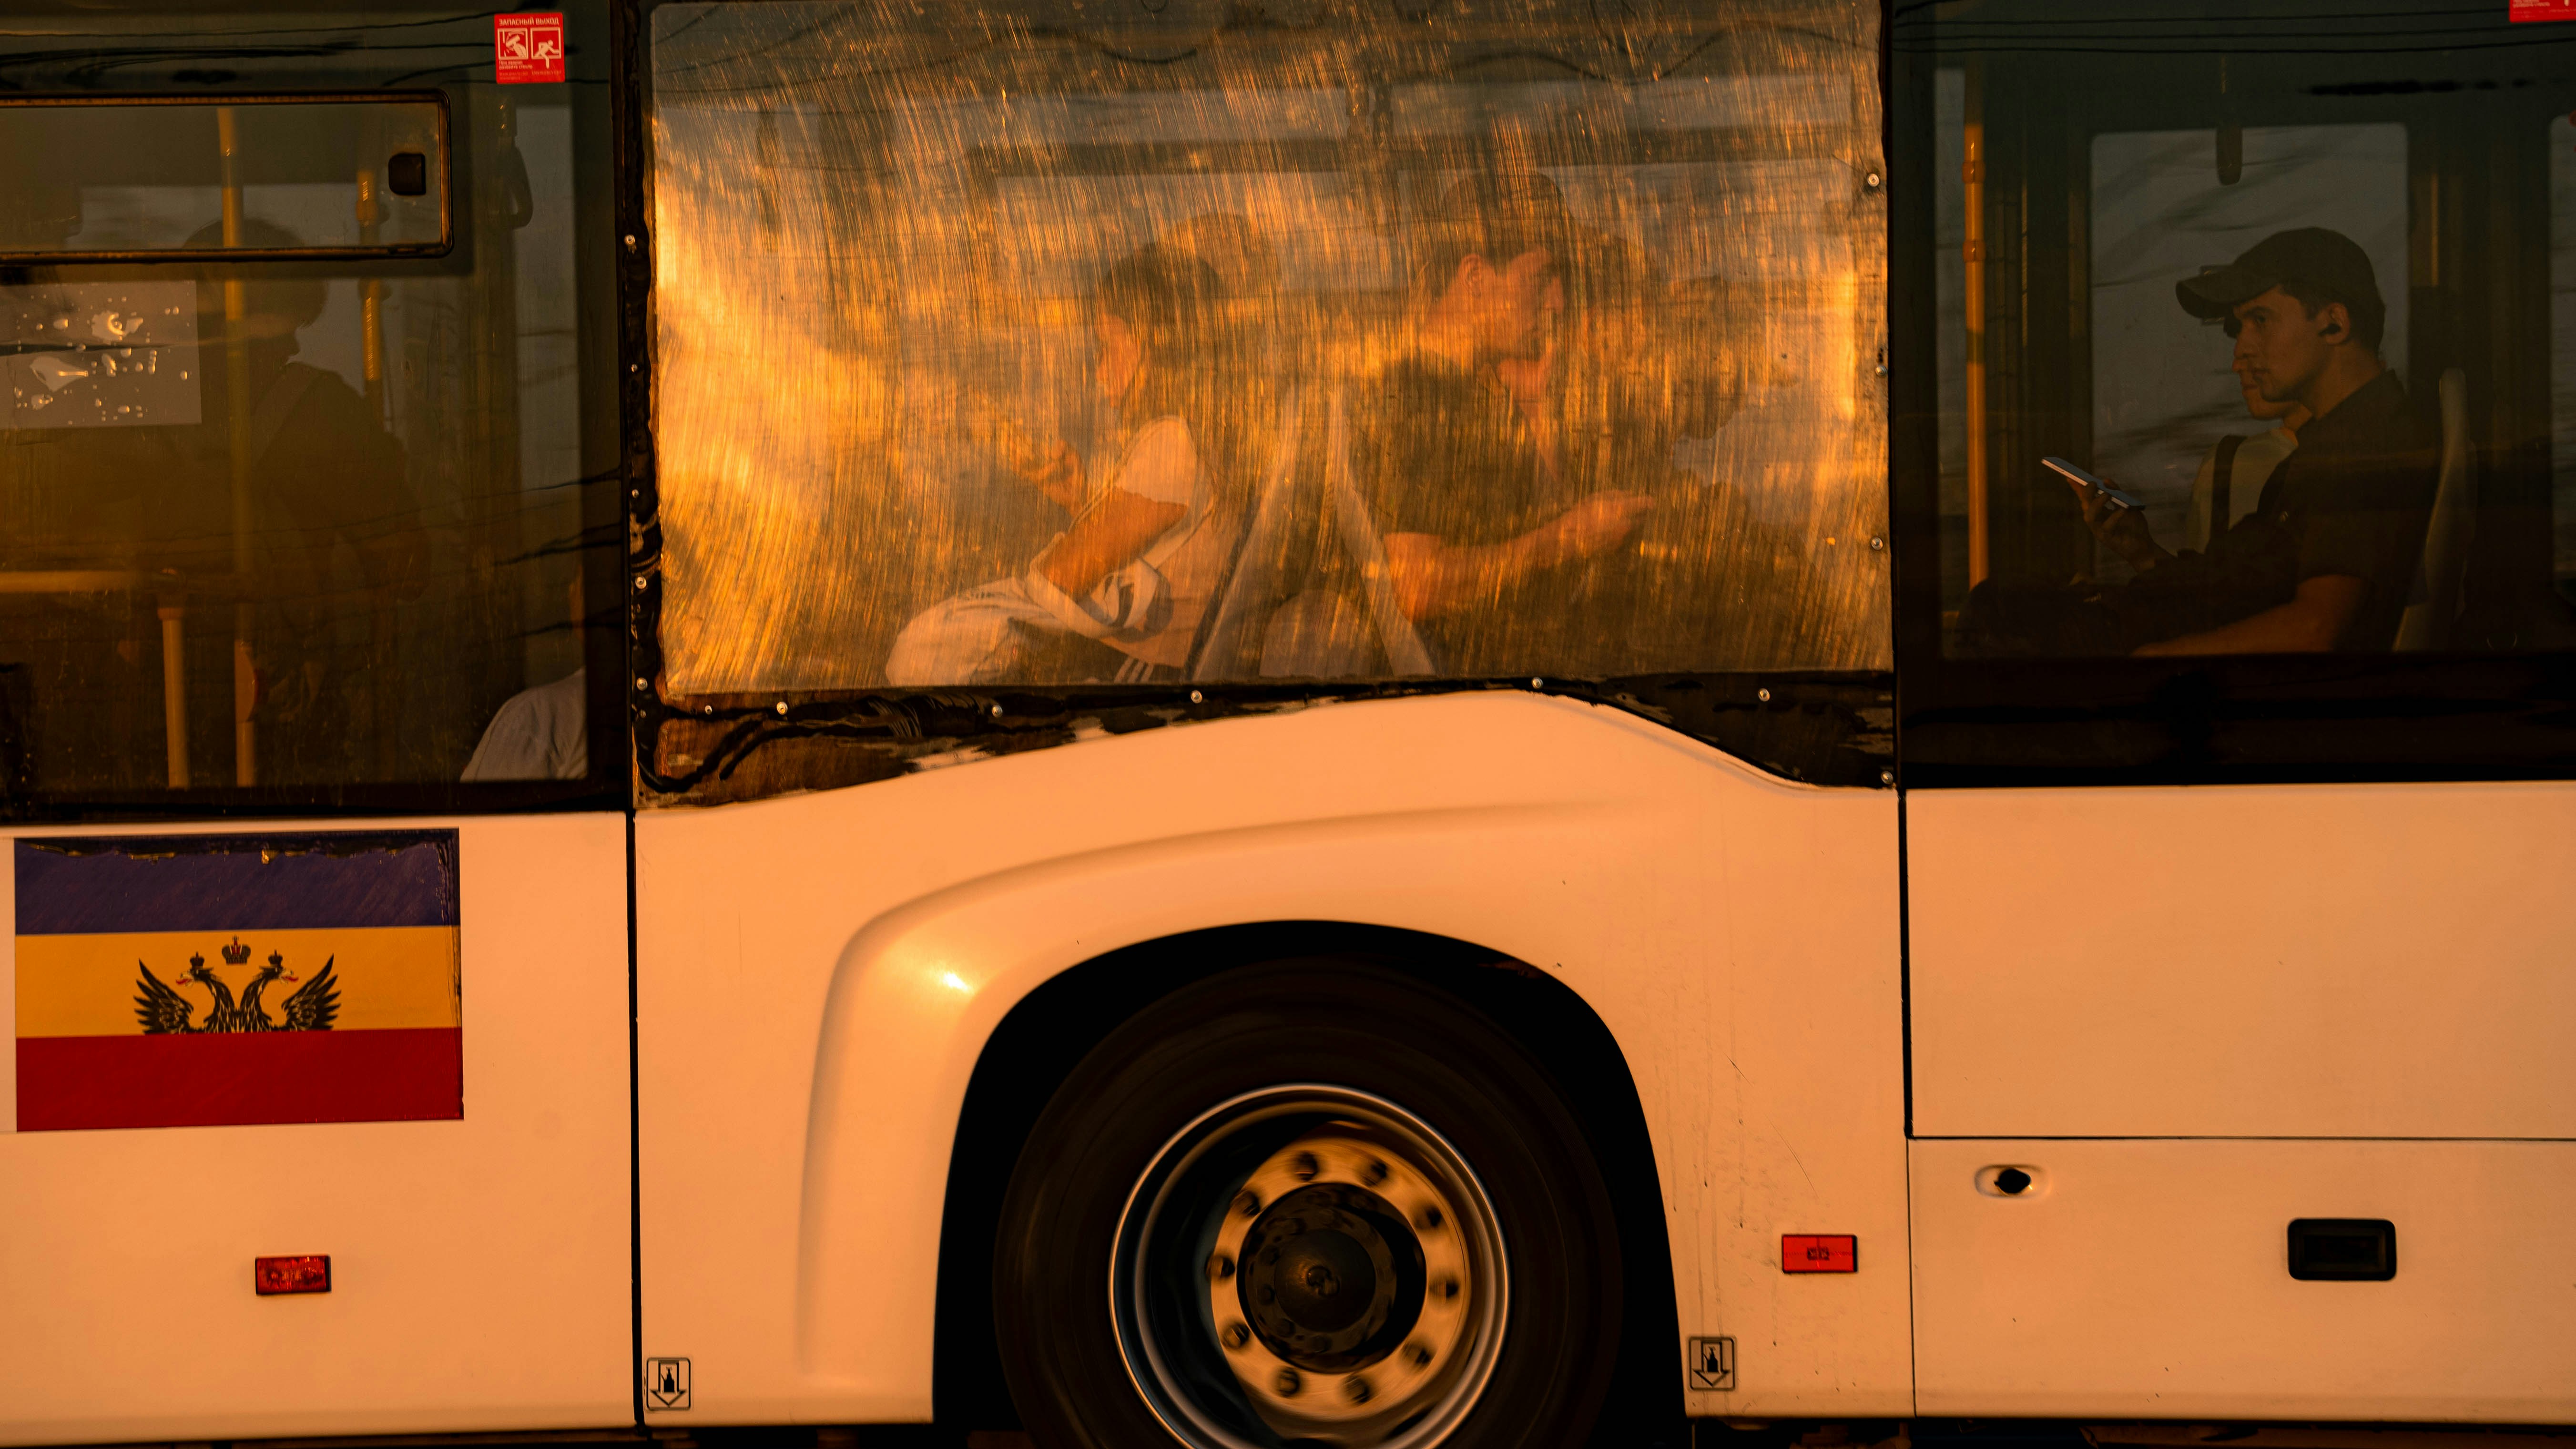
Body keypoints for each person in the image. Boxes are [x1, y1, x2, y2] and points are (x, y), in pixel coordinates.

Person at [1960, 226, 2434, 656]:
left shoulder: (2366, 448)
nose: (2239, 354)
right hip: (2157, 631)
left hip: (2173, 665)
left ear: (2333, 323)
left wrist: (2155, 661)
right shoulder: (2336, 440)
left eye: (2260, 320)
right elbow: (2241, 600)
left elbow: (2314, 629)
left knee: (1998, 618)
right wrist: (2142, 555)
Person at [885, 242, 1262, 684]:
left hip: (1128, 681)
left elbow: (1054, 585)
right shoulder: (1211, 439)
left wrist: (993, 431)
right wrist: (1081, 503)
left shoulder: (1172, 441)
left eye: (1106, 347)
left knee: (919, 654)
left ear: (1153, 341)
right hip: (1141, 672)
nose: (1099, 371)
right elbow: (1151, 559)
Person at [1349, 173, 1656, 675]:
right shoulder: (1417, 394)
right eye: (1540, 280)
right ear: (1474, 278)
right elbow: (1419, 588)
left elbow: (1527, 540)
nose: (1557, 302)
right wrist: (1568, 539)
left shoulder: (1468, 394)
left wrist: (1536, 407)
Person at [2184, 357, 2308, 551]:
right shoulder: (2226, 465)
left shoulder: (2358, 460)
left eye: (2262, 339)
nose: (2238, 366)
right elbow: (2203, 576)